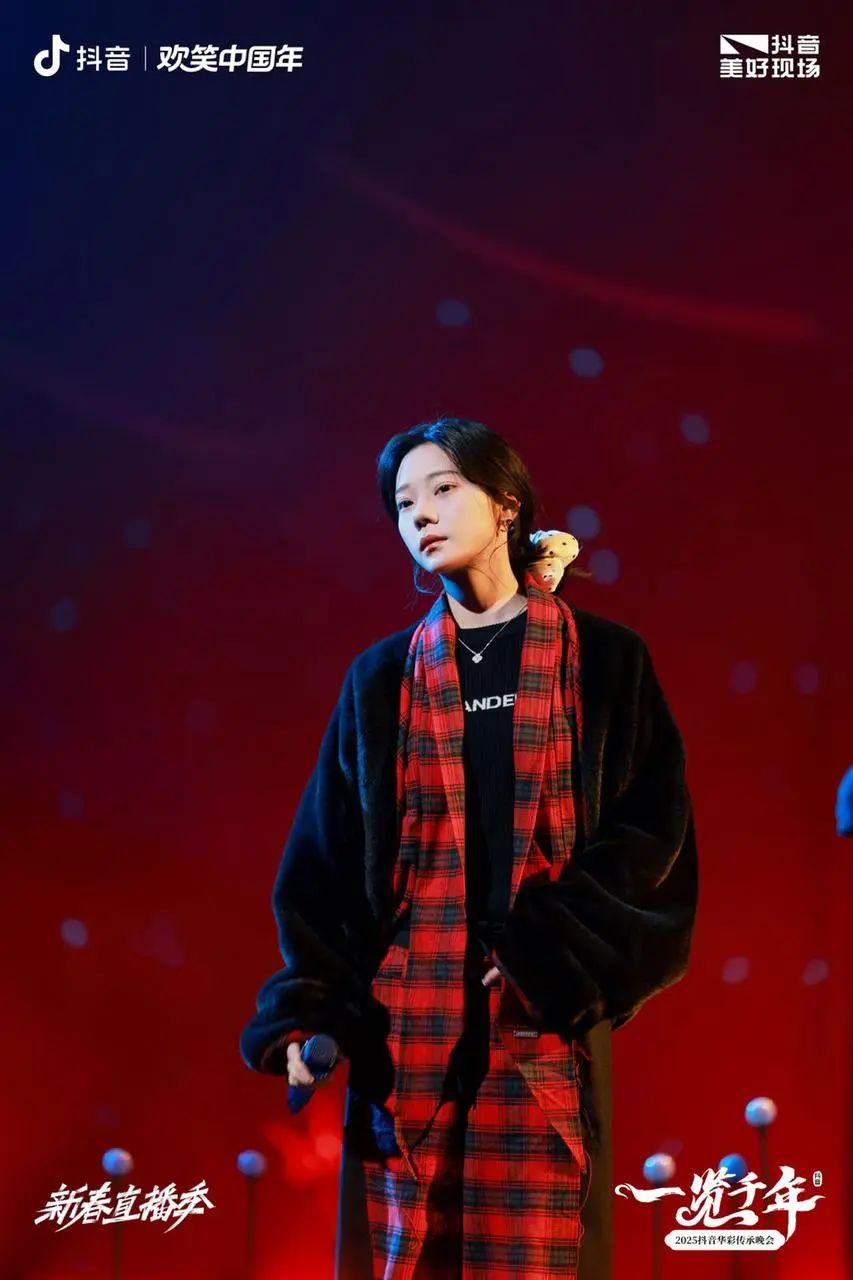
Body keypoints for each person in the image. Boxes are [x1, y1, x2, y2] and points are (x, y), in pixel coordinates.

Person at [240, 416, 699, 1279]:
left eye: (443, 489)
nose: (420, 513)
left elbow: (652, 837)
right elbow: (324, 866)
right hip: (404, 1030)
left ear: (506, 503)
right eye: (402, 502)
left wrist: (546, 953)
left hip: (539, 1024)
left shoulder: (604, 661)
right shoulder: (380, 678)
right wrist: (311, 1010)